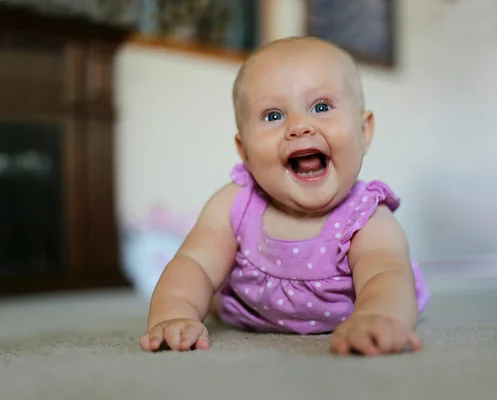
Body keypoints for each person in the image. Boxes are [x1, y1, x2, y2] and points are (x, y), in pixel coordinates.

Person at [139, 36, 430, 356]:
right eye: (273, 115)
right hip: (249, 310)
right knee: (206, 291)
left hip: (356, 311)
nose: (299, 126)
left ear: (364, 132)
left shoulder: (366, 218)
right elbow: (195, 263)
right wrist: (174, 315)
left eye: (321, 107)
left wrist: (377, 318)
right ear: (244, 150)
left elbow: (386, 275)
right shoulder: (234, 204)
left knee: (390, 282)